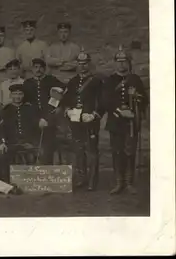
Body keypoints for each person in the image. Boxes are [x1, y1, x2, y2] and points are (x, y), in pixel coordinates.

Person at [103, 46, 148, 195]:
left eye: (124, 61)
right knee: (117, 152)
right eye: (119, 61)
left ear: (128, 63)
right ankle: (118, 183)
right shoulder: (110, 80)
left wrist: (136, 101)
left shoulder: (135, 80)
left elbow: (144, 100)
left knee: (130, 153)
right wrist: (120, 111)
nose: (121, 65)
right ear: (115, 63)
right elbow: (106, 101)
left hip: (130, 124)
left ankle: (129, 183)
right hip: (116, 122)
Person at [61, 48, 104, 191]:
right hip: (76, 120)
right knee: (79, 150)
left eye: (85, 63)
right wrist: (68, 111)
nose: (82, 66)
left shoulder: (97, 81)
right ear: (77, 64)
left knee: (92, 150)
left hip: (90, 120)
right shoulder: (73, 81)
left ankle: (93, 181)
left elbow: (102, 101)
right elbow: (66, 100)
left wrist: (94, 115)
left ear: (89, 64)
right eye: (80, 63)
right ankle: (82, 178)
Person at [23, 58, 66, 165]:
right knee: (33, 147)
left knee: (47, 147)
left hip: (49, 118)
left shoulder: (51, 80)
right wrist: (36, 119)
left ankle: (47, 171)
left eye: (41, 67)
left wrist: (58, 107)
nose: (38, 70)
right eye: (35, 67)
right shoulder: (27, 83)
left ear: (45, 69)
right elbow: (26, 104)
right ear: (32, 69)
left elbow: (63, 92)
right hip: (33, 119)